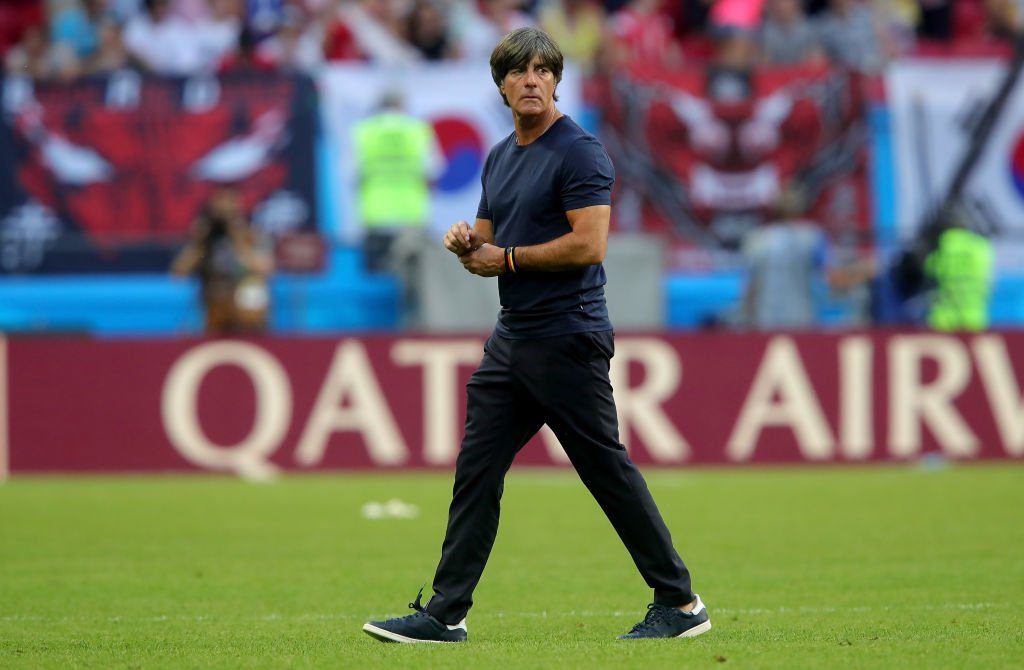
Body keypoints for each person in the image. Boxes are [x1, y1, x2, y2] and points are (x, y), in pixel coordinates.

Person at [362, 27, 711, 644]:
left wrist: (506, 259)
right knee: (477, 469)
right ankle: (445, 613)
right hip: (514, 338)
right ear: (500, 85)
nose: (531, 80)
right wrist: (465, 241)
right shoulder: (500, 156)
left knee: (605, 471)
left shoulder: (579, 152)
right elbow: (487, 238)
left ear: (556, 81)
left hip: (567, 334)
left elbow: (589, 244)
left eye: (543, 70)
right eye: (518, 72)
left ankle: (681, 603)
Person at [170, 187, 274, 334]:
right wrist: (199, 242)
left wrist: (238, 238)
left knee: (253, 287)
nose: (224, 213)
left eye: (230, 209)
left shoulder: (253, 234)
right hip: (213, 298)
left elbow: (265, 269)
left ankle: (252, 328)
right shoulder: (206, 236)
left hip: (244, 297)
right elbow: (178, 272)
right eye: (220, 209)